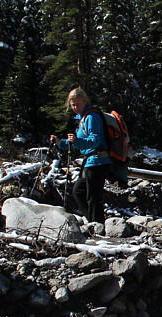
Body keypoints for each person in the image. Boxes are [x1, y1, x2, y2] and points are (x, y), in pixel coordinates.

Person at [50, 87, 111, 223]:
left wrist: (77, 141)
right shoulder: (83, 118)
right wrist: (60, 143)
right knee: (79, 192)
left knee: (93, 197)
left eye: (78, 104)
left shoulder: (92, 117)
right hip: (90, 161)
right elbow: (78, 143)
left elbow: (95, 140)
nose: (75, 107)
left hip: (98, 160)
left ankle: (97, 228)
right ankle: (93, 223)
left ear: (85, 101)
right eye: (72, 105)